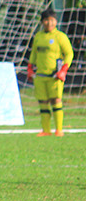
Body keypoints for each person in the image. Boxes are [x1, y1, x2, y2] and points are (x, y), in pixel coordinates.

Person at [27, 8, 74, 137]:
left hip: (55, 75)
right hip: (40, 75)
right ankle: (46, 130)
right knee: (42, 102)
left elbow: (69, 53)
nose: (49, 23)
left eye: (52, 20)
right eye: (46, 20)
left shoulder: (60, 36)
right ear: (42, 22)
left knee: (56, 100)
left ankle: (59, 129)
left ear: (56, 21)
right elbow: (33, 53)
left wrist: (64, 69)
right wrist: (30, 67)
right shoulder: (39, 36)